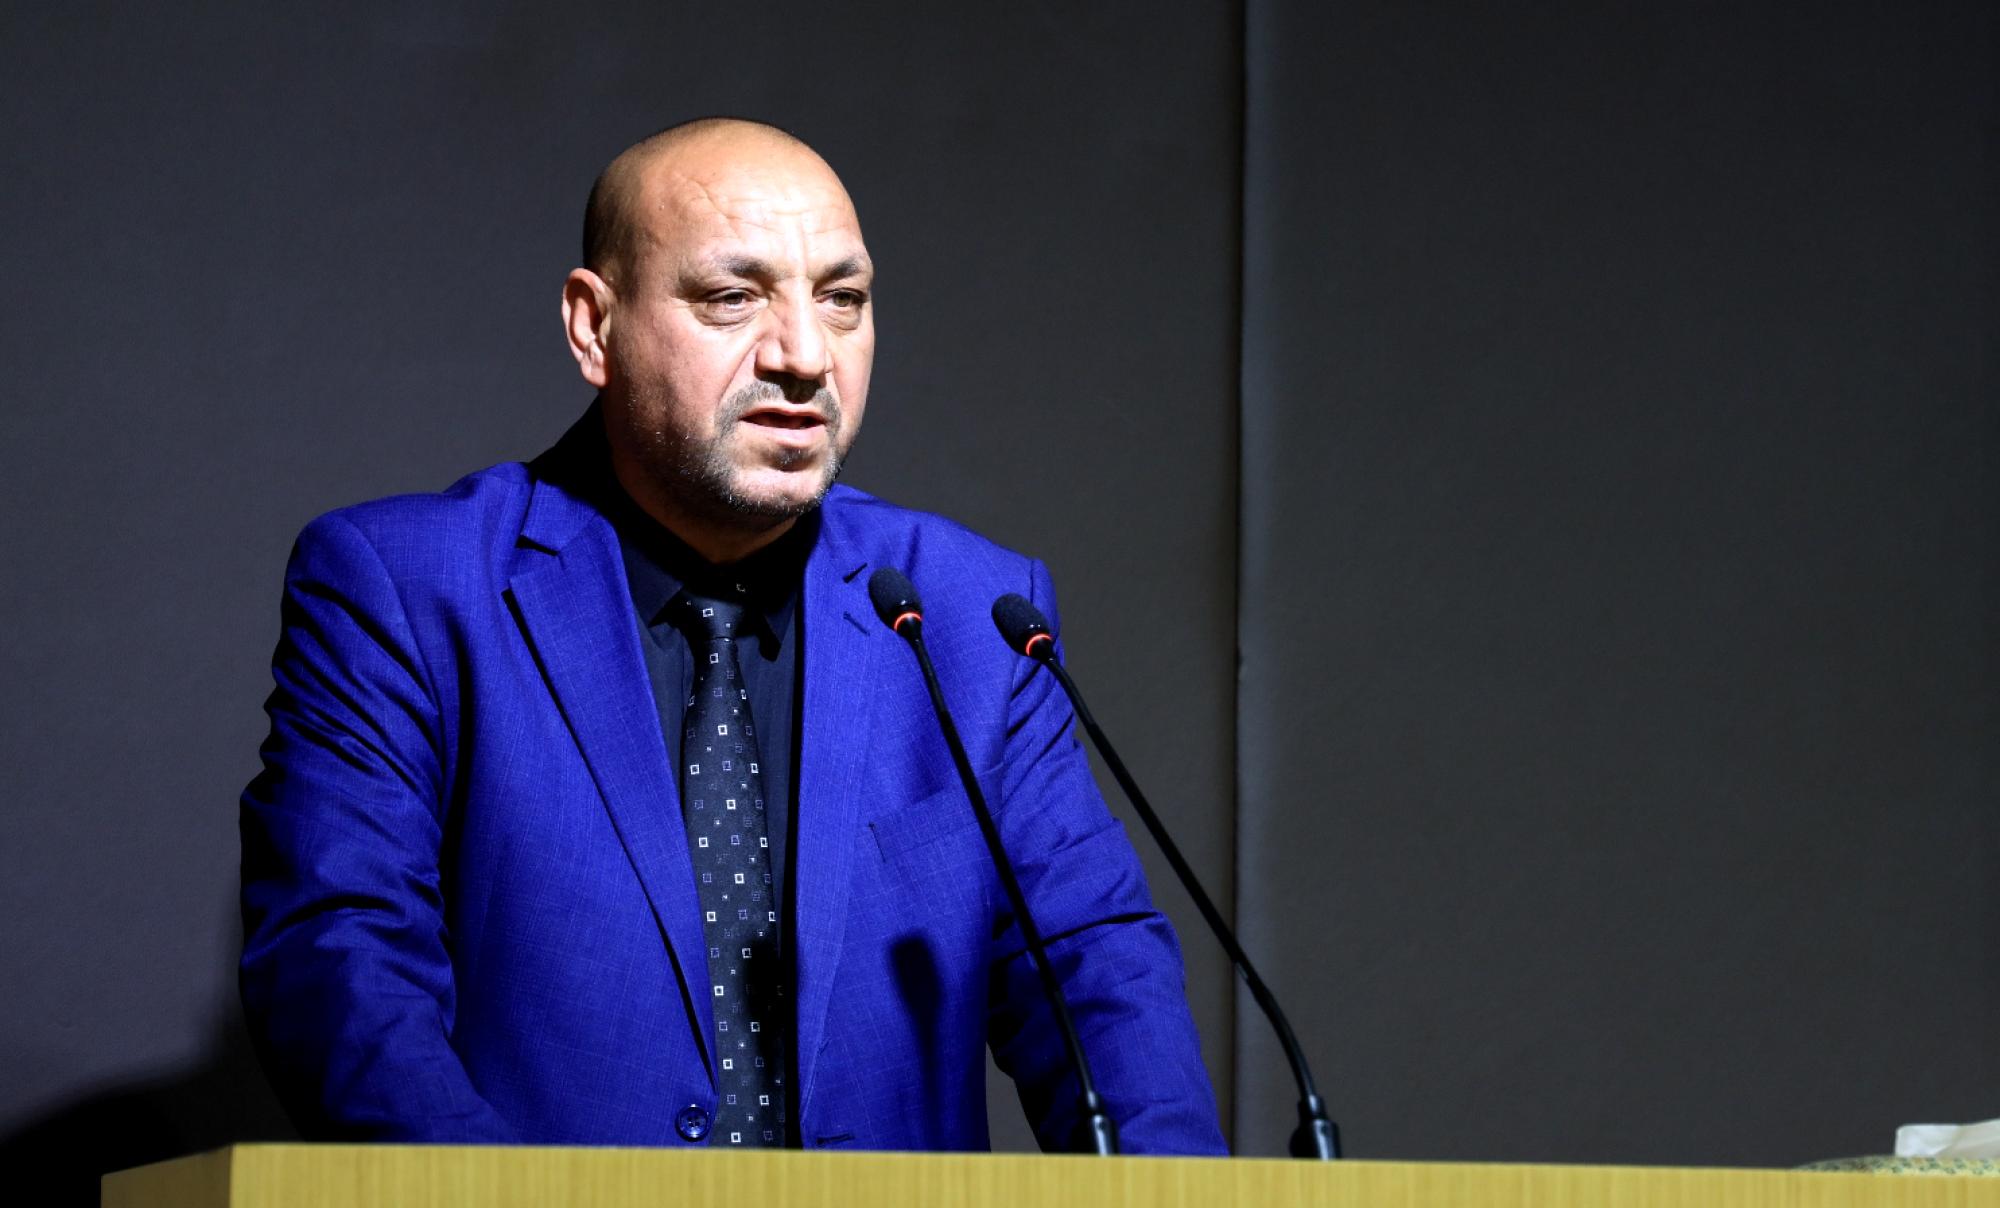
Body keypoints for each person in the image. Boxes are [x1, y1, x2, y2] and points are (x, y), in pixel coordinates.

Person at [239, 118, 1224, 1154]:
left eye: (841, 299)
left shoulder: (970, 612)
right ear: (593, 327)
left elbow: (1095, 970)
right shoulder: (408, 587)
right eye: (732, 297)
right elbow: (340, 960)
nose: (804, 355)